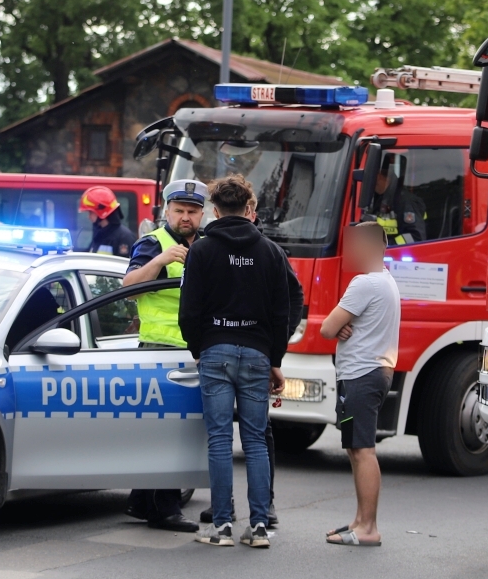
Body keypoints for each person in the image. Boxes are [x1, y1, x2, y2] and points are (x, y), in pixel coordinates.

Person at [179, 174, 292, 549]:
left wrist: (200, 347)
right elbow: (282, 312)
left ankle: (222, 526)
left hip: (215, 349)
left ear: (214, 210)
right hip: (258, 353)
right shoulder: (271, 251)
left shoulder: (203, 249)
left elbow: (189, 309)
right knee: (256, 441)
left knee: (218, 440)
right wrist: (274, 358)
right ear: (249, 208)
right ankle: (260, 526)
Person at [119, 179, 207, 532]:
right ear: (167, 210)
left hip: (190, 351)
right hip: (158, 350)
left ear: (203, 213)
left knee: (168, 429)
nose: (186, 217)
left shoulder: (205, 246)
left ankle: (141, 502)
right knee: (170, 431)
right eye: (179, 210)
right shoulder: (153, 243)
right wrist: (160, 259)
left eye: (193, 211)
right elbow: (127, 288)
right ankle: (166, 507)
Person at [320, 221, 401, 547]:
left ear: (371, 247)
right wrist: (343, 325)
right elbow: (343, 325)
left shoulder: (364, 284)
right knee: (356, 448)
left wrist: (338, 325)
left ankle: (368, 527)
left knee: (363, 450)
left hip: (361, 376)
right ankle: (359, 521)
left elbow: (327, 327)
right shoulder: (386, 281)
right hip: (374, 372)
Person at [372, 155, 427, 244]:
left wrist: (387, 245)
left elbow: (416, 237)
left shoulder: (405, 201)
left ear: (377, 176)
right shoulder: (377, 198)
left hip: (392, 254)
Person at [80, 186, 135, 256]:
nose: (89, 217)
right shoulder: (100, 234)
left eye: (90, 212)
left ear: (101, 211)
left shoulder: (124, 237)